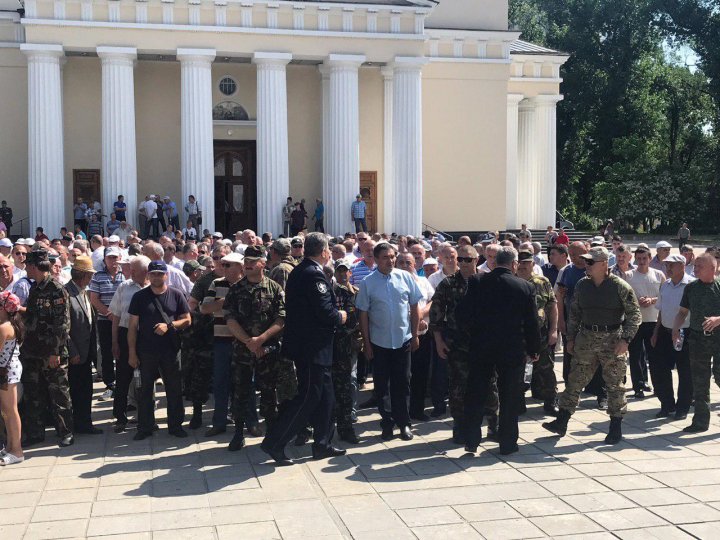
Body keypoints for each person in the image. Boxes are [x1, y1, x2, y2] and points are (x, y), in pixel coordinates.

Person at [261, 233, 347, 466]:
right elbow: (325, 312)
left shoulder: (305, 270)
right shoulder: (312, 274)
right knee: (309, 396)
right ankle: (275, 442)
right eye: (328, 249)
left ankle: (322, 443)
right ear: (323, 252)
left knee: (326, 396)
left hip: (316, 347)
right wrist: (341, 316)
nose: (330, 253)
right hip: (312, 348)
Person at [543, 246, 641, 445]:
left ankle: (615, 426)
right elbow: (575, 313)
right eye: (585, 261)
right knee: (575, 380)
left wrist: (626, 340)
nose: (586, 265)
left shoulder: (620, 286)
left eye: (590, 262)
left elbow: (634, 315)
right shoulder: (582, 285)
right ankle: (561, 421)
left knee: (614, 385)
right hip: (586, 337)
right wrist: (570, 339)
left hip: (612, 339)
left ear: (604, 264)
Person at [456, 246, 540, 455]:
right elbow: (532, 323)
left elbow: (462, 313)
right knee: (509, 396)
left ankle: (471, 440)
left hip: (481, 346)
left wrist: (471, 334)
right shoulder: (524, 287)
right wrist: (534, 348)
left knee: (475, 393)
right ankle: (508, 443)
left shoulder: (477, 281)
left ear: (493, 263)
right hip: (511, 349)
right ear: (513, 265)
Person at [224, 245, 295, 451]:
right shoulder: (236, 289)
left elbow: (281, 319)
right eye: (246, 261)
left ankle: (271, 434)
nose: (247, 265)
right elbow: (230, 319)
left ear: (263, 263)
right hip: (243, 350)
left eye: (253, 261)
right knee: (240, 391)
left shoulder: (274, 288)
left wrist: (261, 340)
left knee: (268, 392)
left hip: (268, 351)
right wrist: (249, 342)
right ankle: (238, 433)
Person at [357, 242, 423, 441]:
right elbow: (363, 315)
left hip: (403, 340)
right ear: (376, 259)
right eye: (385, 257)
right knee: (382, 386)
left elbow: (414, 307)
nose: (391, 260)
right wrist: (366, 344)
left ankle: (404, 423)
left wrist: (415, 334)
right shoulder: (368, 283)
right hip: (379, 342)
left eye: (393, 256)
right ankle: (387, 423)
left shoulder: (405, 278)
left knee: (402, 383)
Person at [128, 261, 191, 440]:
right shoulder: (139, 297)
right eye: (153, 273)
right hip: (146, 351)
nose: (156, 277)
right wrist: (132, 352)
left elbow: (187, 320)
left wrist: (169, 326)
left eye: (159, 273)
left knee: (174, 389)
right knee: (145, 390)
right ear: (148, 275)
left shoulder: (176, 294)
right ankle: (145, 427)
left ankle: (176, 425)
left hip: (170, 350)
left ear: (166, 275)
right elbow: (133, 326)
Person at [19, 250, 74, 448]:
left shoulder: (56, 289)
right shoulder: (35, 288)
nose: (25, 269)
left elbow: (62, 325)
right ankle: (35, 433)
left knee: (58, 393)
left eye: (27, 265)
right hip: (33, 350)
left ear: (34, 266)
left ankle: (66, 431)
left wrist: (55, 353)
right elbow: (32, 316)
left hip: (52, 352)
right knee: (33, 394)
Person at [200, 252, 249, 438]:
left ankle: (249, 422)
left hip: (243, 341)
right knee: (221, 383)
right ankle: (219, 422)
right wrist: (227, 299)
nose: (224, 268)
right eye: (223, 264)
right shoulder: (217, 283)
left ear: (240, 267)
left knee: (246, 383)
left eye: (229, 265)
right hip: (222, 341)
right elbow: (204, 308)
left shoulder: (248, 284)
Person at [671, 254, 720, 432]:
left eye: (699, 266)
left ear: (712, 269)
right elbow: (683, 312)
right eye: (695, 265)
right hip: (698, 339)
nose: (695, 268)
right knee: (699, 382)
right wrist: (675, 329)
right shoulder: (691, 288)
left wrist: (718, 319)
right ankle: (700, 421)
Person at [108, 255, 149, 433]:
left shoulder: (153, 287)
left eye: (134, 270)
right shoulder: (124, 287)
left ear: (145, 272)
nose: (130, 272)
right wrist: (114, 341)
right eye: (130, 269)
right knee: (123, 378)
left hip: (147, 336)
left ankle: (146, 417)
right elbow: (115, 316)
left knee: (147, 379)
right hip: (125, 335)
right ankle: (120, 417)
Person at [650, 254, 694, 419]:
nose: (668, 268)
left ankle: (683, 407)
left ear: (682, 265)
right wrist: (656, 331)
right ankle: (667, 404)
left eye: (671, 265)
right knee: (660, 369)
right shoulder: (666, 285)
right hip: (665, 331)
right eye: (666, 265)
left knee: (685, 371)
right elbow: (661, 310)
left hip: (685, 332)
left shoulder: (691, 284)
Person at [516, 250, 559, 415]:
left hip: (540, 333)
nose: (523, 266)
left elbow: (552, 306)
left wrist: (553, 330)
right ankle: (518, 401)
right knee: (519, 370)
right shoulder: (511, 282)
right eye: (520, 262)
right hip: (518, 335)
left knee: (546, 369)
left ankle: (550, 401)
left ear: (533, 264)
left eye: (526, 262)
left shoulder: (542, 282)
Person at [395, 252, 435, 422]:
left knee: (420, 374)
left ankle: (417, 410)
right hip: (400, 336)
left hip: (422, 335)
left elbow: (433, 301)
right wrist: (413, 321)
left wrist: (419, 317)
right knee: (401, 377)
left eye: (408, 262)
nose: (405, 265)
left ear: (415, 265)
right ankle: (400, 413)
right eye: (401, 262)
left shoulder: (423, 281)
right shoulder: (392, 282)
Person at [65, 255, 102, 435]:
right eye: (89, 275)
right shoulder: (66, 293)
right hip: (76, 353)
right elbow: (64, 328)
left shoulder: (83, 292)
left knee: (86, 390)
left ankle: (85, 423)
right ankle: (77, 424)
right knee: (77, 390)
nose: (91, 278)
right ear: (82, 275)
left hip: (87, 352)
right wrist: (72, 351)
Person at [626, 246, 664, 398]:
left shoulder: (658, 274)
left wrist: (652, 300)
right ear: (635, 259)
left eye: (644, 258)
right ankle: (639, 386)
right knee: (635, 356)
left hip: (653, 321)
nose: (641, 262)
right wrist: (637, 302)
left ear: (650, 258)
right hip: (635, 321)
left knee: (654, 356)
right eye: (639, 259)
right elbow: (624, 297)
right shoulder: (628, 275)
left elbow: (664, 295)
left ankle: (658, 385)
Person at [331, 260, 362, 443]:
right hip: (332, 346)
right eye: (339, 271)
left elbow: (362, 317)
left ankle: (348, 422)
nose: (343, 274)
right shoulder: (331, 292)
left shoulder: (356, 293)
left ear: (351, 273)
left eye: (346, 271)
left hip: (350, 344)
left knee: (349, 382)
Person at [88, 246, 124, 400]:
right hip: (105, 320)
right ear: (104, 260)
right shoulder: (98, 276)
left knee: (123, 350)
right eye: (110, 258)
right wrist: (109, 314)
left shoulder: (126, 275)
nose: (113, 261)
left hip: (123, 320)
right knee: (107, 352)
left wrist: (118, 316)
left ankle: (123, 383)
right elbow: (94, 299)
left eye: (115, 257)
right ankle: (110, 384)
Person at [0, 291, 23, 464]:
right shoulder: (11, 324)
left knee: (10, 411)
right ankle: (10, 447)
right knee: (7, 412)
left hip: (7, 372)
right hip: (10, 370)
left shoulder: (4, 328)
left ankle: (17, 450)